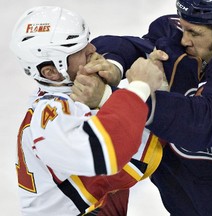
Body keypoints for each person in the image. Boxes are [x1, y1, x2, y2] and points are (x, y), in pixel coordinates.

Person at [76, 0, 212, 215]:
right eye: (183, 26)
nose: (184, 39)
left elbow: (203, 123)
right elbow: (123, 46)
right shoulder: (175, 35)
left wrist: (118, 97)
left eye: (194, 33)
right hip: (189, 202)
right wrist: (112, 66)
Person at [10, 6, 164, 216]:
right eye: (80, 50)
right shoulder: (51, 118)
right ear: (52, 71)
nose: (93, 49)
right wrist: (140, 87)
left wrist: (111, 85)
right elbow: (109, 153)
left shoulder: (74, 94)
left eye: (87, 41)